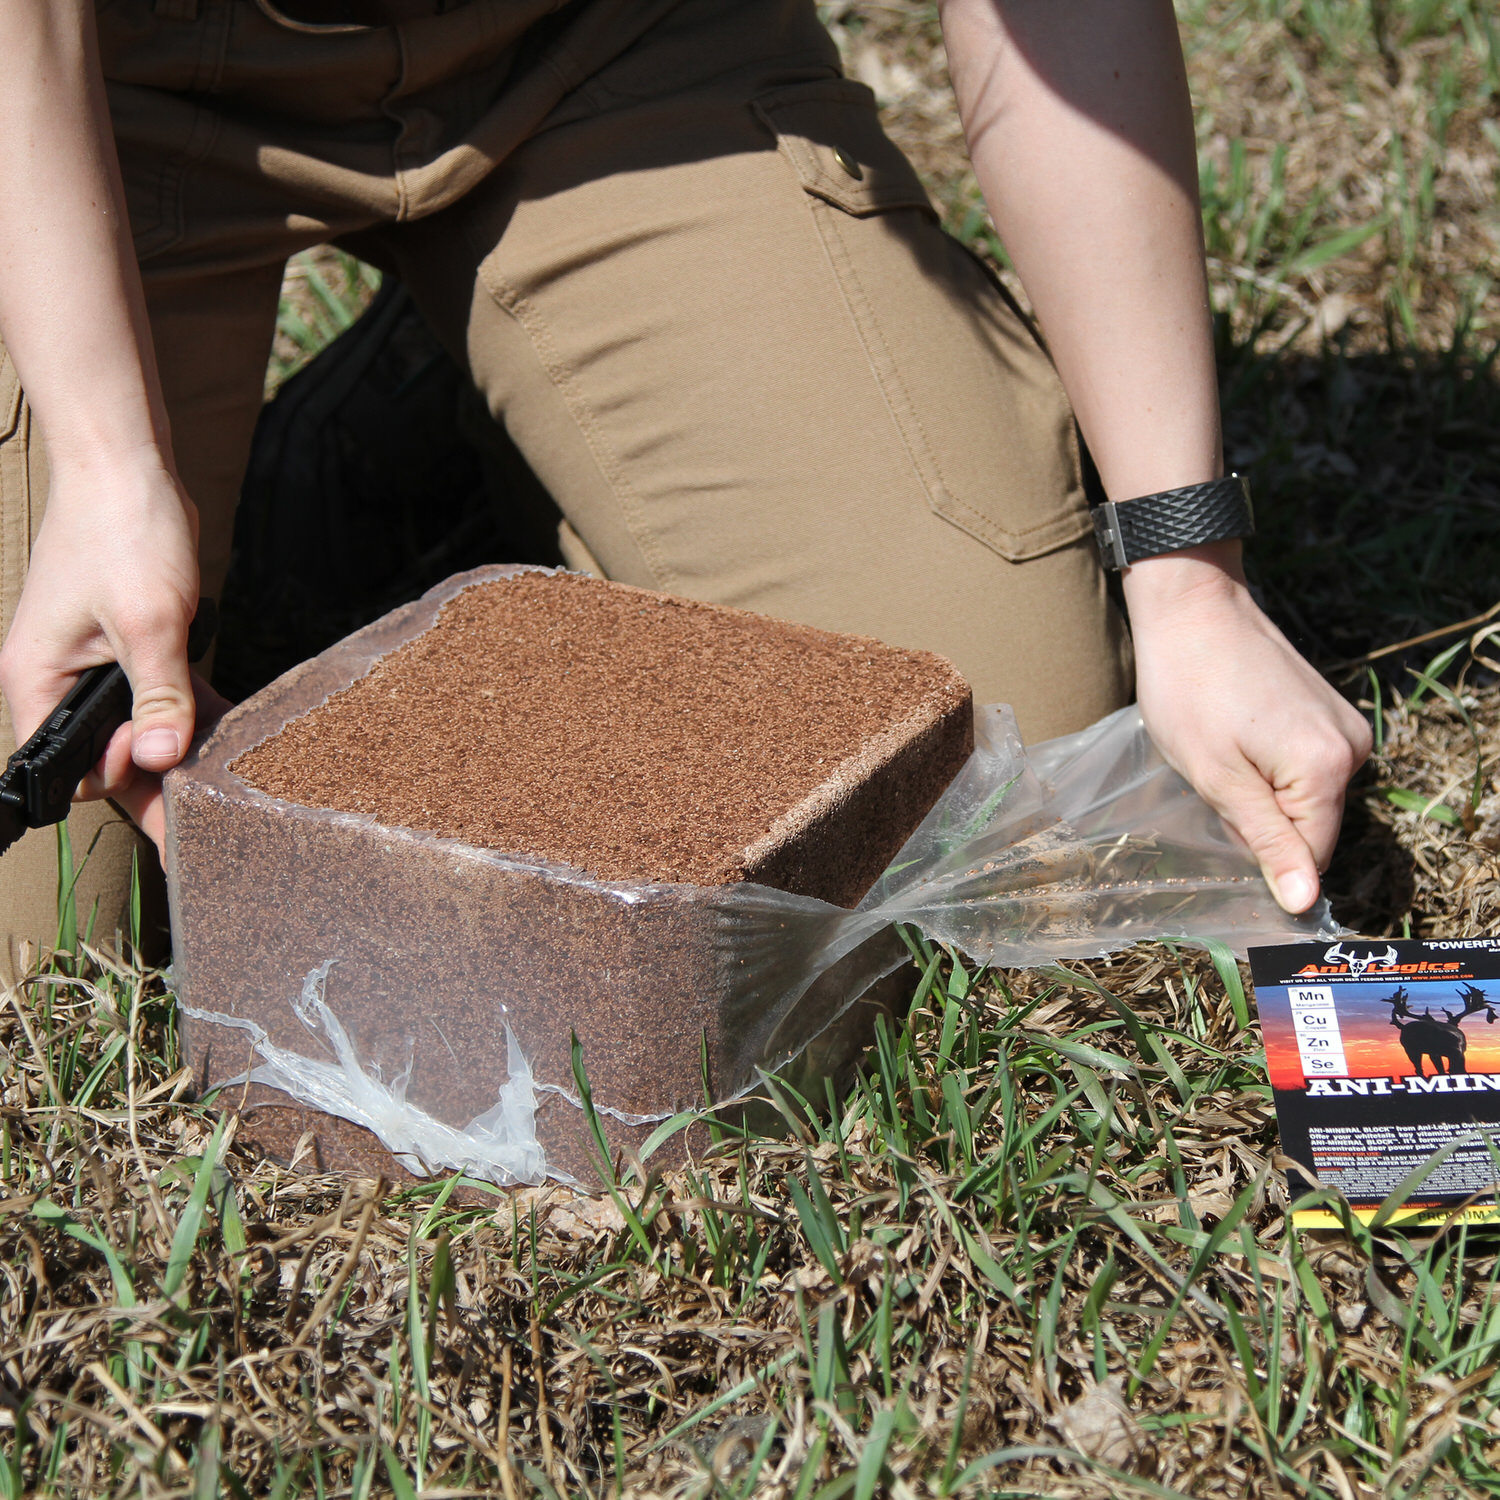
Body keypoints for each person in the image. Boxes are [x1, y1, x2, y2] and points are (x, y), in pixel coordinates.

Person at [0, 0, 1370, 974]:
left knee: (959, 736)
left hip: (598, 48)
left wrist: (1189, 577)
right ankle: (413, 397)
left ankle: (490, 374)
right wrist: (110, 470)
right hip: (99, 79)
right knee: (38, 926)